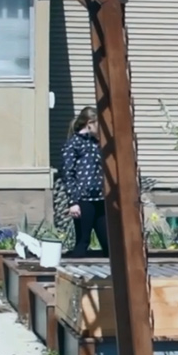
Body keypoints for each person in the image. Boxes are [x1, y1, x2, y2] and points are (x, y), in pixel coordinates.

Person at [61, 107, 108, 257]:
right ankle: (73, 273)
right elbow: (68, 173)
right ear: (90, 124)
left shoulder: (96, 144)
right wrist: (73, 202)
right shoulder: (73, 144)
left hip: (100, 198)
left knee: (108, 243)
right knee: (83, 240)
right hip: (83, 200)